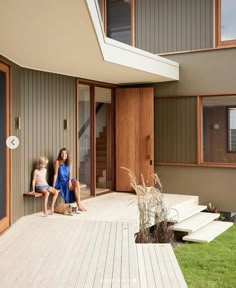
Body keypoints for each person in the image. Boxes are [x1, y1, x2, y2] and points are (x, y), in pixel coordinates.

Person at [53, 147, 86, 212]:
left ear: (67, 155)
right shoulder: (57, 162)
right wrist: (53, 185)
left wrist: (69, 182)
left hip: (68, 179)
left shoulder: (69, 162)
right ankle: (78, 205)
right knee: (75, 187)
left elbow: (70, 173)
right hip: (61, 181)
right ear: (60, 154)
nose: (64, 155)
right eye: (62, 153)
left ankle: (79, 204)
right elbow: (55, 174)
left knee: (77, 182)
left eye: (65, 153)